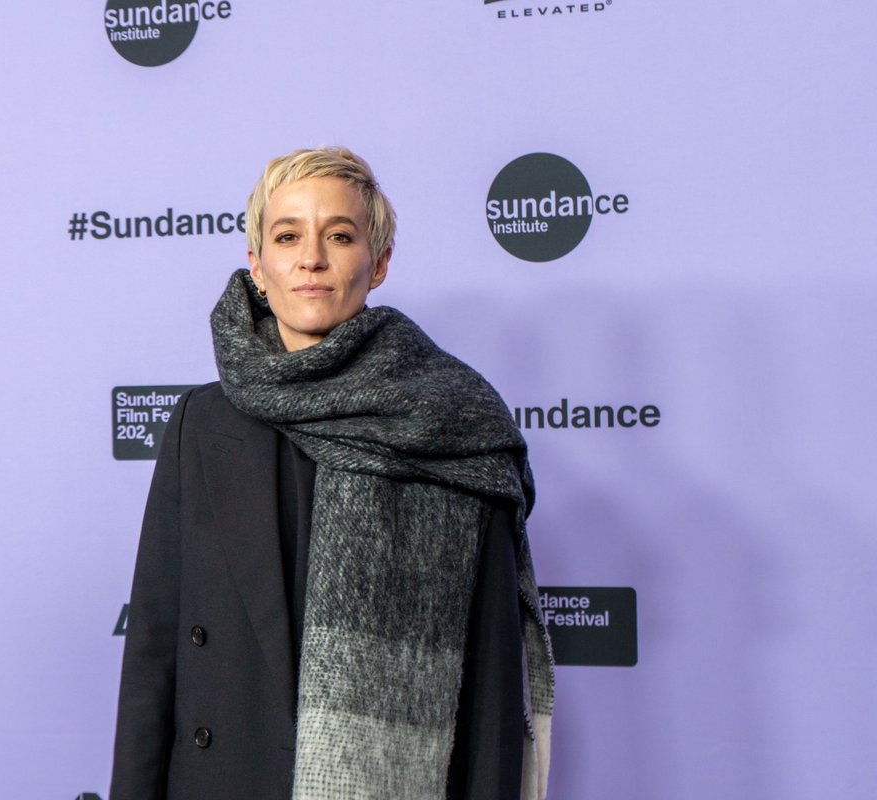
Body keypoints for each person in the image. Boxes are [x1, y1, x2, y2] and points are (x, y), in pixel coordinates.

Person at [110, 147, 553, 800]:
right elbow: (154, 653)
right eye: (287, 236)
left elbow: (490, 687)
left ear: (378, 262)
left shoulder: (452, 424)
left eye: (339, 236)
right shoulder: (201, 425)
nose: (311, 258)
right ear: (258, 265)